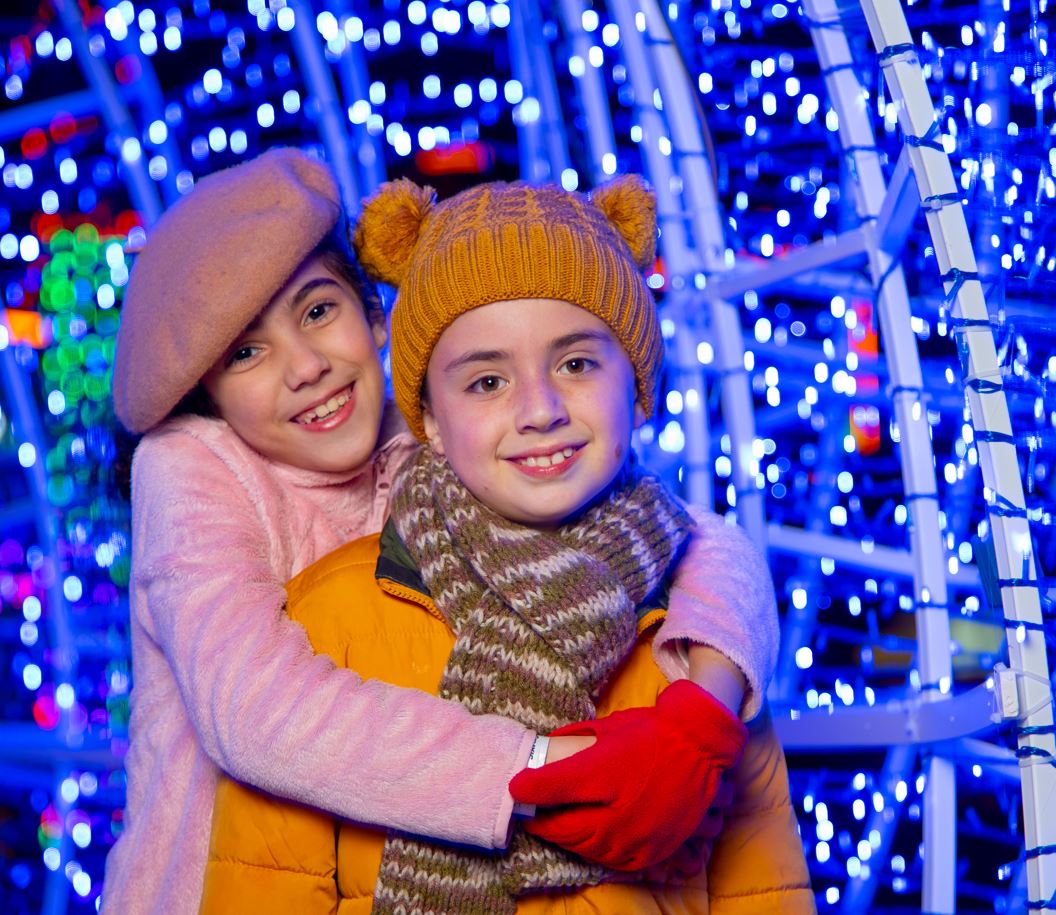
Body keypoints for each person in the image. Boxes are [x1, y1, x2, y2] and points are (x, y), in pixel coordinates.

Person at [104, 148, 783, 914]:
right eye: (246, 353)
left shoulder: (431, 437)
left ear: (373, 315)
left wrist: (701, 713)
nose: (305, 367)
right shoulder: (187, 466)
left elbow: (696, 540)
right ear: (208, 396)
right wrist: (550, 767)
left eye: (318, 311)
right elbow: (256, 709)